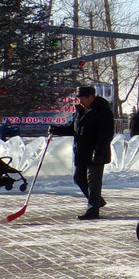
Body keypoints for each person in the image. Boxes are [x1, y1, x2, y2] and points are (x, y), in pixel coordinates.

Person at [49, 85, 116, 220]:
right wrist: (56, 130)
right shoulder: (80, 111)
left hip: (96, 153)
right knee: (78, 178)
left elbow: (106, 134)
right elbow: (74, 129)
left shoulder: (102, 111)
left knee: (93, 182)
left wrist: (98, 152)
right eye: (78, 98)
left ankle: (93, 210)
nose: (79, 101)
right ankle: (97, 201)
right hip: (81, 151)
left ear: (91, 97)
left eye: (82, 98)